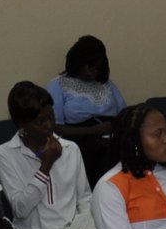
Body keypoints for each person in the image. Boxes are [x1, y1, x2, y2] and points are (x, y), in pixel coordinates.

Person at [0, 81, 93, 229]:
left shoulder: (70, 148)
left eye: (51, 116)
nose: (49, 125)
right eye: (40, 121)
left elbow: (84, 199)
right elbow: (20, 209)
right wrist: (46, 165)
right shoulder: (6, 153)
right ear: (22, 124)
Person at [47, 34, 127, 188]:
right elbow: (55, 127)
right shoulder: (58, 85)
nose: (94, 72)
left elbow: (124, 113)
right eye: (91, 67)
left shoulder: (106, 84)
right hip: (80, 142)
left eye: (98, 68)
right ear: (78, 62)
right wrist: (92, 131)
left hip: (110, 140)